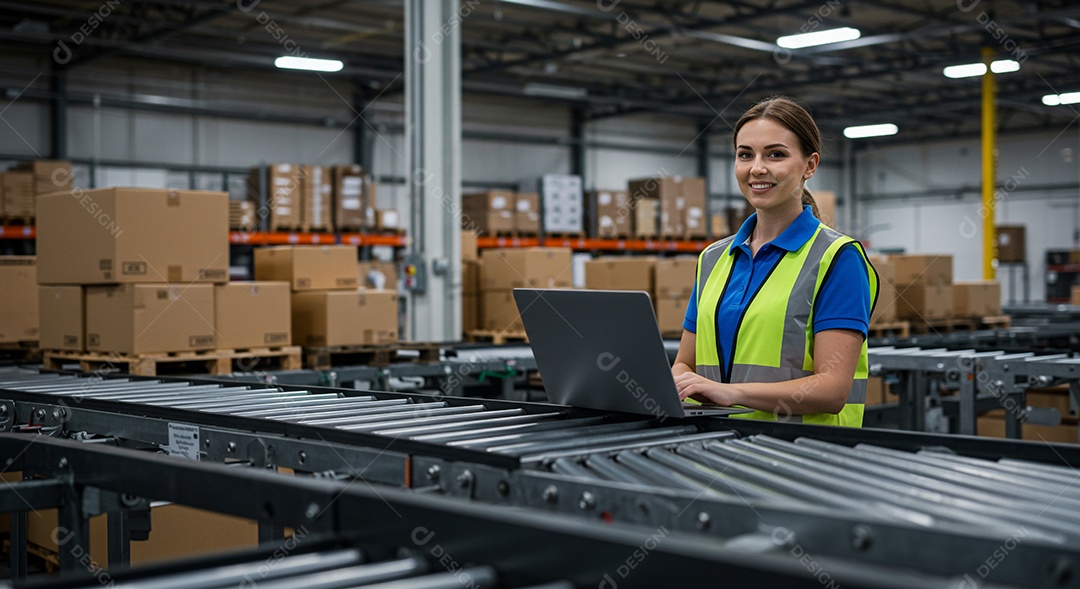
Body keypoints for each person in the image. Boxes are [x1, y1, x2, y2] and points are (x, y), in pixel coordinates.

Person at [671, 96, 878, 427]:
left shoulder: (838, 259)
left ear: (810, 165)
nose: (757, 168)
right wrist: (680, 381)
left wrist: (732, 393)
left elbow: (833, 389)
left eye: (776, 155)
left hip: (801, 458)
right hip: (715, 450)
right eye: (745, 155)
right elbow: (684, 363)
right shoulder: (712, 259)